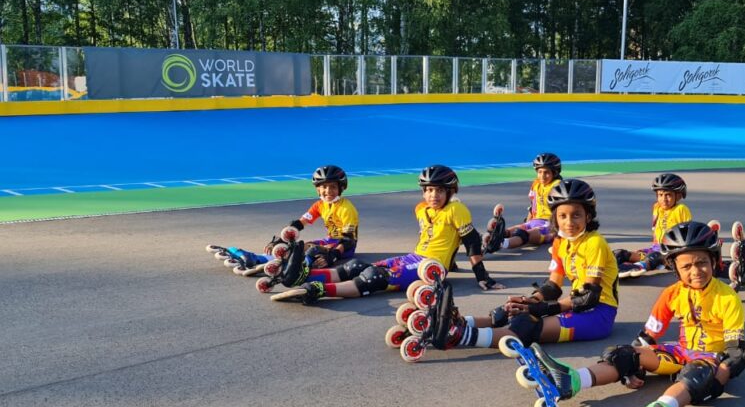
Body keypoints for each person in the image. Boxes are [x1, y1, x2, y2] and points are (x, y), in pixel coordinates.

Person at [526, 221, 745, 407]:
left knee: (697, 372)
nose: (695, 271)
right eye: (687, 266)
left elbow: (736, 353)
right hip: (680, 352)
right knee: (624, 354)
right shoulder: (671, 294)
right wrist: (634, 368)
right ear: (675, 268)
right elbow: (648, 336)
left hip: (710, 358)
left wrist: (717, 382)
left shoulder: (727, 297)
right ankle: (571, 380)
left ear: (713, 261)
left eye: (702, 263)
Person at [417, 178, 620, 354]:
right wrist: (529, 301)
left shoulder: (595, 243)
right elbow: (553, 286)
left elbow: (588, 297)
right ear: (555, 218)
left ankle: (460, 336)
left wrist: (543, 308)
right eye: (563, 216)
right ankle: (461, 322)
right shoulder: (561, 242)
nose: (569, 222)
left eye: (576, 215)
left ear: (589, 216)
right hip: (577, 307)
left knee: (527, 326)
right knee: (511, 311)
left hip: (598, 315)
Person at [267, 164, 504, 303]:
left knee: (374, 277)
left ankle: (318, 290)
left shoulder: (456, 209)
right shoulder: (421, 209)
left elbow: (470, 242)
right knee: (356, 266)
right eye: (429, 190)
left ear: (451, 192)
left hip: (430, 266)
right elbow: (437, 238)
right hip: (415, 257)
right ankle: (303, 277)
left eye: (440, 191)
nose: (433, 195)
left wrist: (482, 276)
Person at [207, 164, 358, 274]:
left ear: (341, 187)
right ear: (318, 189)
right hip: (330, 240)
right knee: (295, 246)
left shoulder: (346, 208)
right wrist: (281, 239)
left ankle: (292, 266)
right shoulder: (320, 205)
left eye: (332, 187)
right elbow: (299, 224)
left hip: (343, 247)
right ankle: (255, 258)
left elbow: (349, 240)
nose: (328, 191)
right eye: (324, 187)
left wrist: (333, 255)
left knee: (310, 250)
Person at [613, 173, 692, 278]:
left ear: (678, 196)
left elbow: (688, 233)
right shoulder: (657, 208)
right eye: (660, 195)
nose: (663, 199)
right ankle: (606, 265)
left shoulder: (681, 209)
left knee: (654, 257)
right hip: (655, 249)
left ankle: (637, 267)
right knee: (621, 253)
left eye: (668, 195)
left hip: (672, 254)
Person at [483, 152, 563, 254]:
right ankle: (494, 236)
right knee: (515, 229)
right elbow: (532, 206)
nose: (542, 176)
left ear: (555, 173)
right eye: (539, 172)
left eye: (546, 172)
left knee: (523, 234)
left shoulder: (558, 187)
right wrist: (527, 223)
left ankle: (500, 244)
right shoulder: (536, 184)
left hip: (550, 225)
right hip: (535, 221)